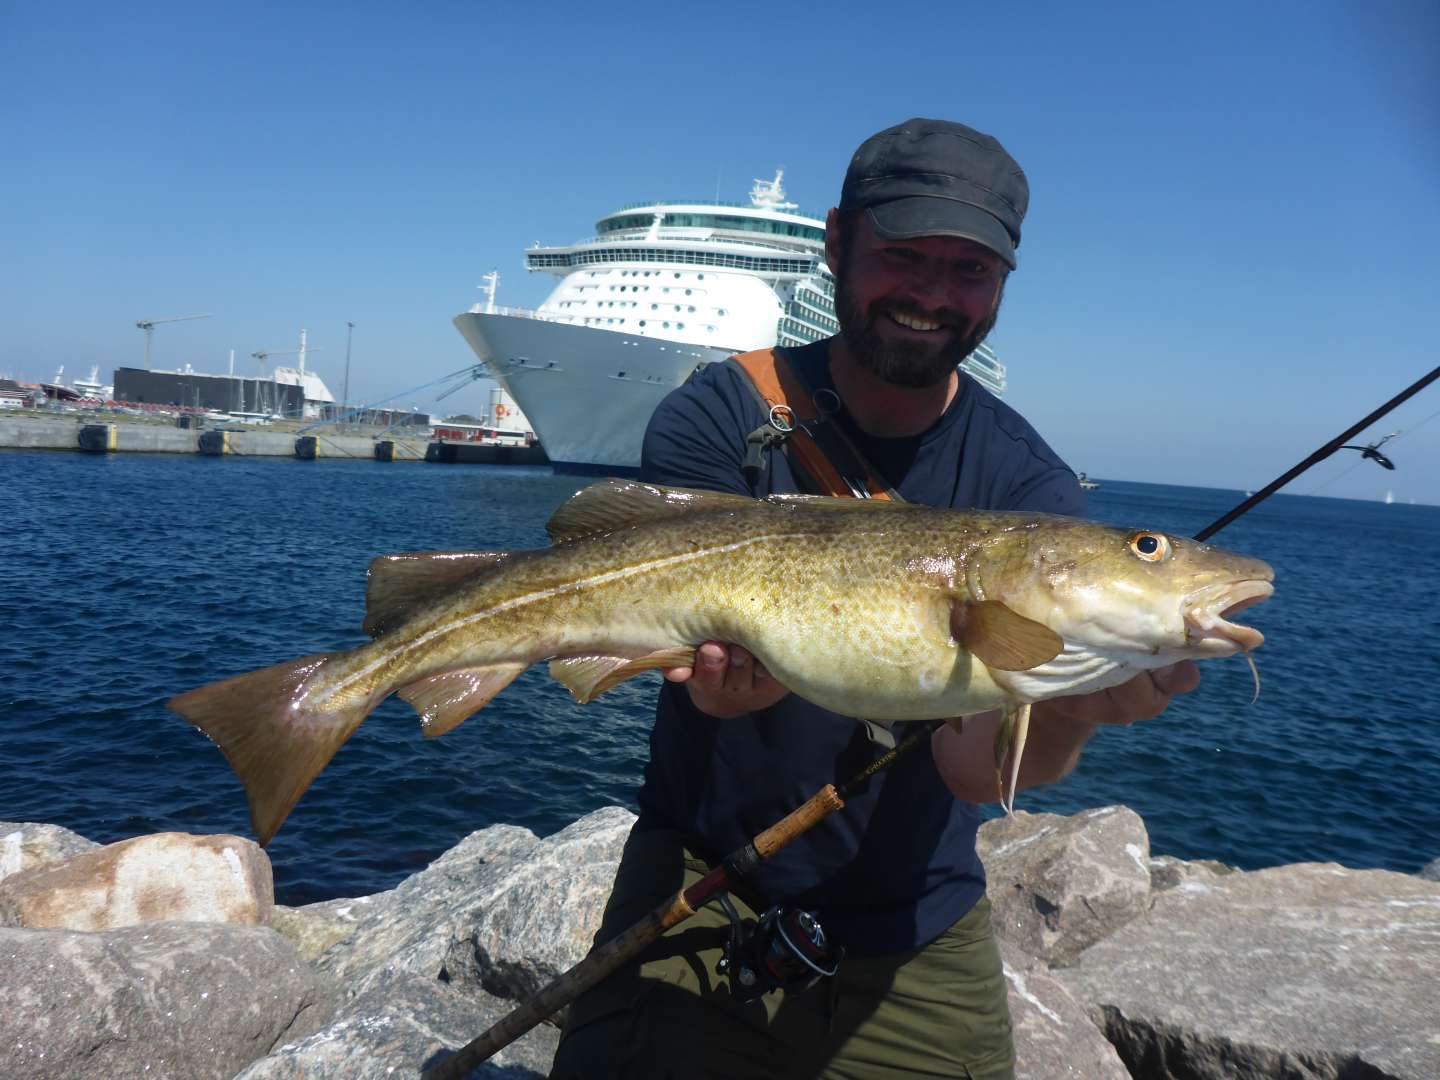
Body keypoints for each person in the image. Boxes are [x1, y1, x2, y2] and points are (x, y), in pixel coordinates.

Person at [547, 118, 1199, 1080]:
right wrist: (710, 688)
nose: (934, 296)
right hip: (702, 874)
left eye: (969, 271)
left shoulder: (1029, 493)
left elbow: (979, 772)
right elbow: (679, 655)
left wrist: (1081, 703)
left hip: (914, 918)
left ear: (1003, 287)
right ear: (837, 243)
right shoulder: (723, 413)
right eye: (904, 256)